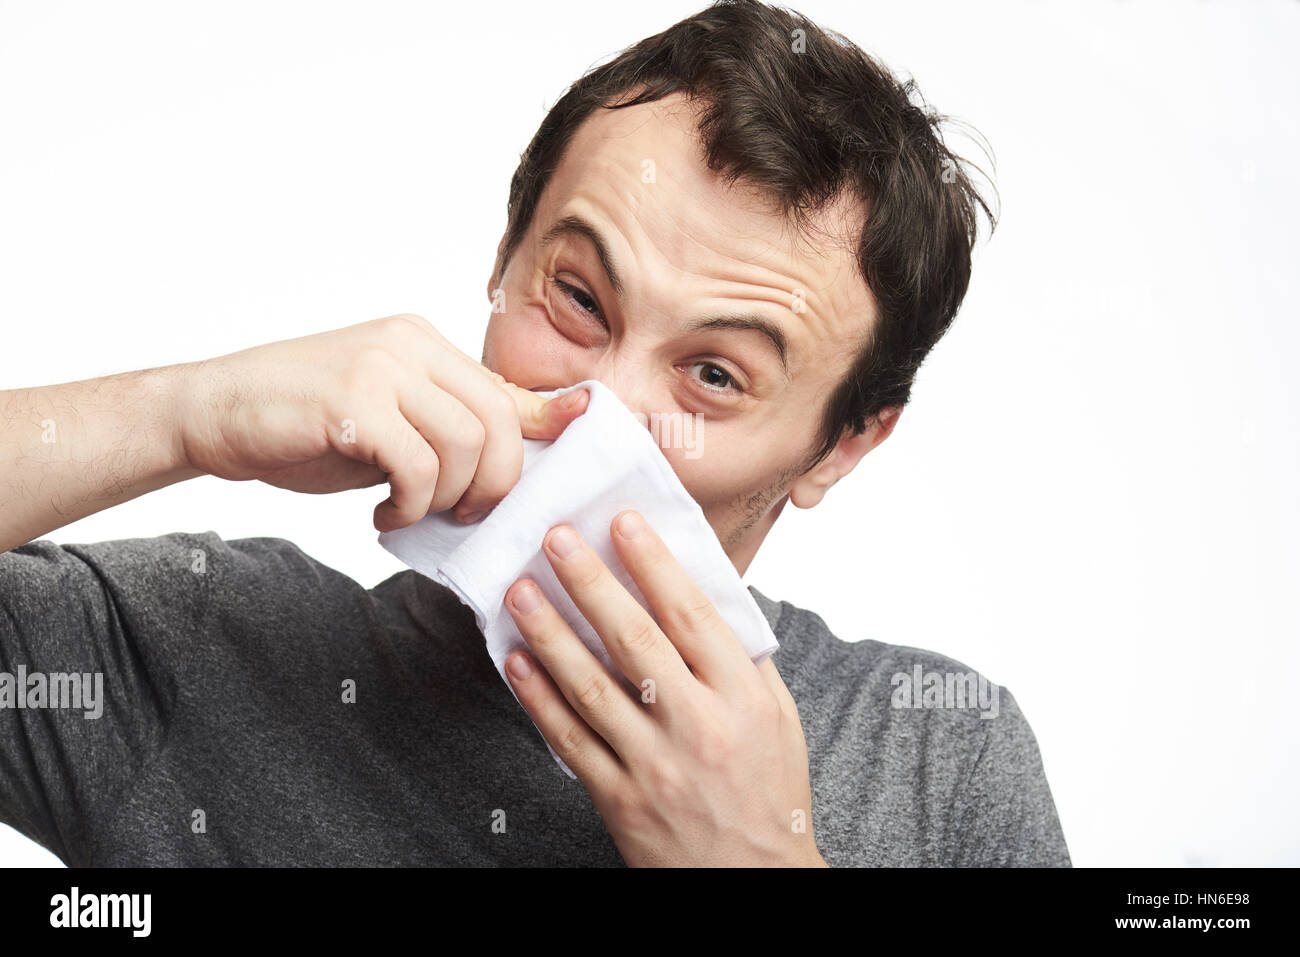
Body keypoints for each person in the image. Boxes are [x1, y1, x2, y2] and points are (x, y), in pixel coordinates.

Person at [0, 0, 1068, 866]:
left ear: (841, 445)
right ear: (504, 261)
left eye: (711, 374)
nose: (601, 412)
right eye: (577, 298)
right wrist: (185, 414)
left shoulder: (940, 763)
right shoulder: (200, 656)